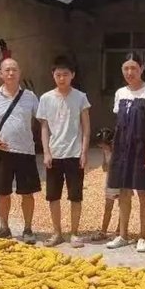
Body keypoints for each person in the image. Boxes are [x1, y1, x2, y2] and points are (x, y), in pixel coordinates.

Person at [0, 58, 40, 244]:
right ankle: (4, 228)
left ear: (19, 72)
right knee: (3, 192)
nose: (11, 73)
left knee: (27, 193)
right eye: (6, 70)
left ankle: (28, 229)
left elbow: (43, 120)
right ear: (0, 74)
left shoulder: (30, 97)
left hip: (25, 152)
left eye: (14, 69)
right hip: (2, 152)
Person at [106, 52, 145, 253]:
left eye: (134, 68)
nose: (130, 72)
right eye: (126, 68)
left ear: (141, 69)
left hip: (141, 149)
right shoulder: (120, 93)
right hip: (121, 148)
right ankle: (123, 234)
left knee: (143, 192)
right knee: (123, 192)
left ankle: (143, 236)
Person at [37, 55, 91, 248]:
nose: (62, 78)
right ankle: (57, 233)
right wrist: (46, 152)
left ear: (72, 75)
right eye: (58, 75)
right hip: (55, 154)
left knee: (75, 196)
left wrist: (84, 152)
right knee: (53, 196)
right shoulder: (46, 98)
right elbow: (44, 128)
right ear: (53, 75)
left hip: (74, 154)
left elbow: (86, 127)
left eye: (65, 74)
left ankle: (74, 233)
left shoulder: (80, 97)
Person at [91, 127, 120, 241]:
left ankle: (119, 231)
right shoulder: (105, 151)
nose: (101, 147)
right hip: (110, 179)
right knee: (108, 206)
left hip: (120, 180)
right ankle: (103, 231)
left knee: (122, 206)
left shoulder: (118, 152)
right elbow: (104, 167)